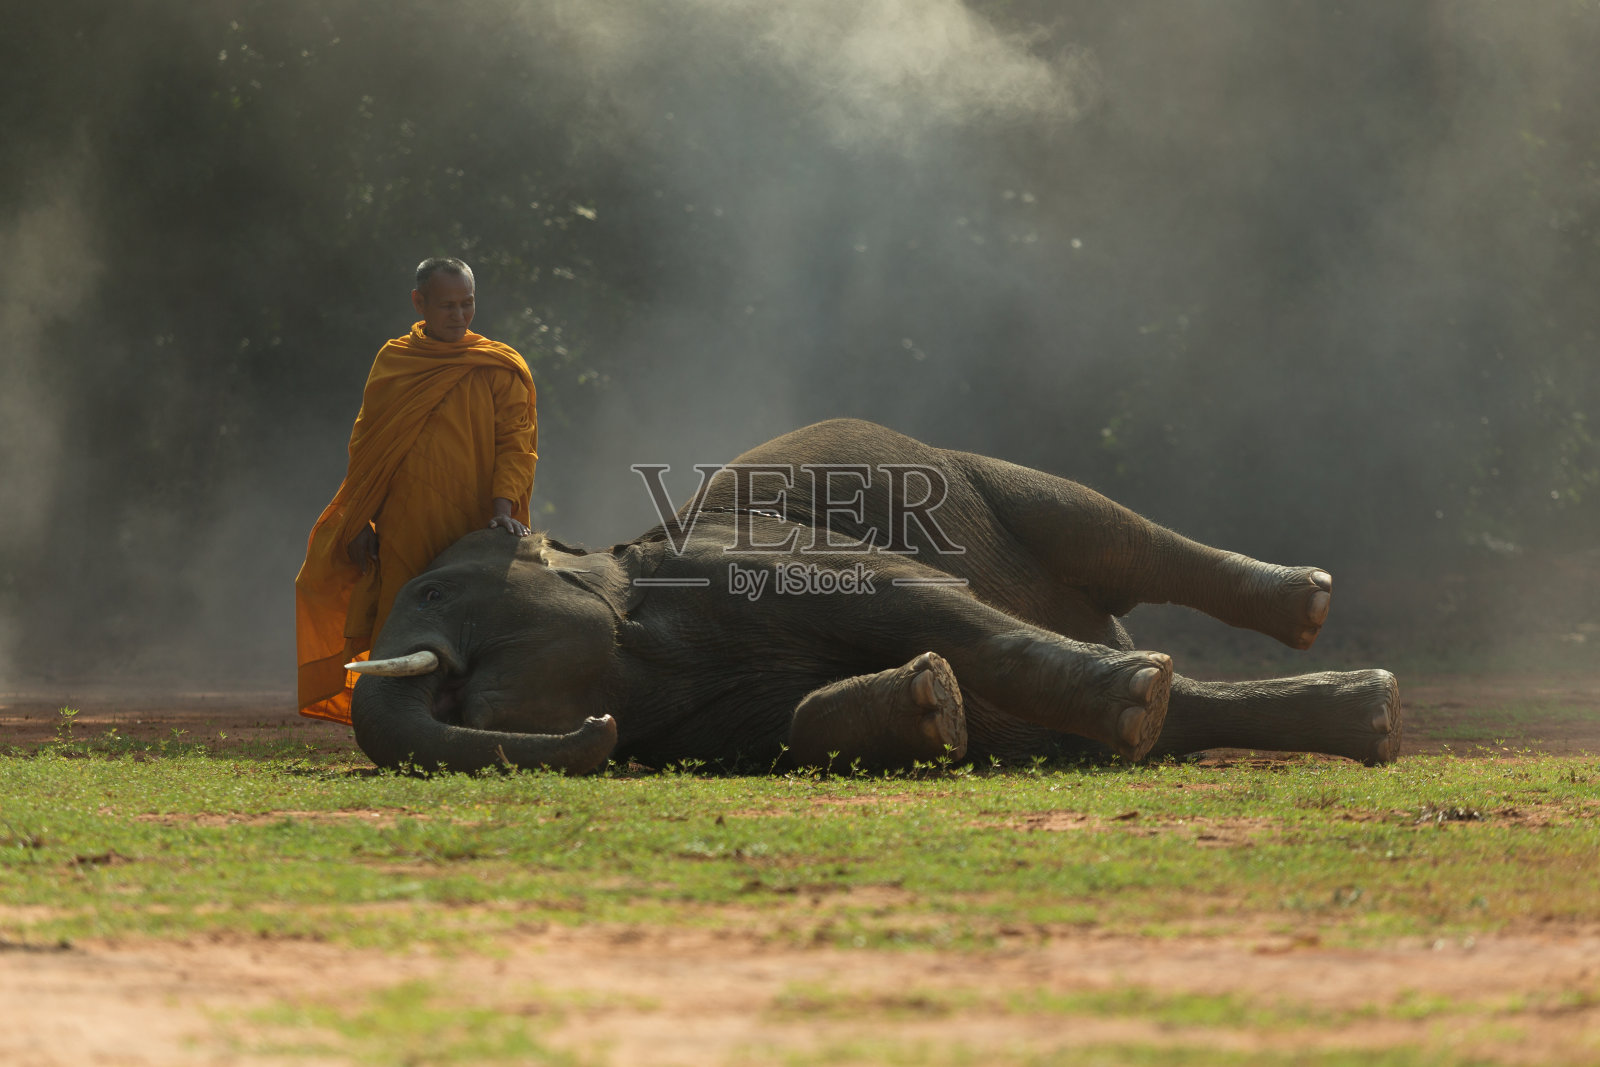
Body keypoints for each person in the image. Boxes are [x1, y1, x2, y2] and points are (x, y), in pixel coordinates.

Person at [295, 257, 538, 724]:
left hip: (471, 527)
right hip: (404, 524)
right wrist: (362, 519)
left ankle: (467, 724)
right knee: (400, 622)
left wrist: (502, 509)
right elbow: (369, 449)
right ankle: (391, 721)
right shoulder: (396, 361)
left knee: (470, 624)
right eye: (446, 306)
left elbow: (516, 444)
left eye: (467, 304)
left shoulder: (497, 364)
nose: (459, 316)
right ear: (419, 302)